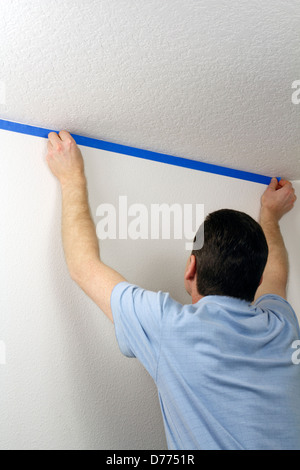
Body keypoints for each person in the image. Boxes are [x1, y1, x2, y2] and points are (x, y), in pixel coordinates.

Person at [46, 130, 300, 450]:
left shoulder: (170, 328)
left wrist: (71, 177)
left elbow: (82, 266)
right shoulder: (283, 326)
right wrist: (271, 217)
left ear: (191, 268)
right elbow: (277, 276)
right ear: (257, 281)